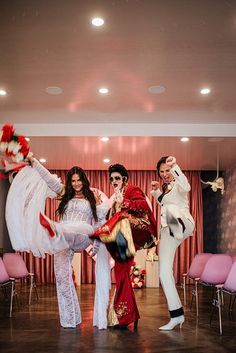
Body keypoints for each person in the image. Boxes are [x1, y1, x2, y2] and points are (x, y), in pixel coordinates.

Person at [5, 154, 111, 329]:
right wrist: (35, 162)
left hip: (82, 235)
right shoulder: (64, 194)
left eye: (79, 180)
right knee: (62, 278)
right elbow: (48, 178)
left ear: (84, 180)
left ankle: (52, 228)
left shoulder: (93, 196)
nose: (76, 184)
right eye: (73, 181)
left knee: (76, 228)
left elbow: (100, 222)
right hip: (63, 237)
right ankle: (71, 319)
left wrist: (97, 245)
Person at [91, 163, 157, 329]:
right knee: (122, 276)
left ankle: (124, 318)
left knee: (121, 276)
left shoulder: (132, 189)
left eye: (117, 178)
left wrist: (126, 202)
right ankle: (130, 315)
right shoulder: (114, 197)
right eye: (112, 178)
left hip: (129, 239)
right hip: (119, 240)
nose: (114, 181)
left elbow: (144, 206)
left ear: (124, 178)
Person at [151, 156, 195, 330]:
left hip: (185, 224)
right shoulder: (165, 189)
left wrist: (174, 165)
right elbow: (163, 202)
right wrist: (155, 192)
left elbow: (187, 186)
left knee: (170, 208)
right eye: (161, 172)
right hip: (168, 231)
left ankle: (177, 228)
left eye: (166, 170)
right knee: (164, 273)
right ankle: (177, 316)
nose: (164, 174)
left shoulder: (179, 185)